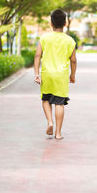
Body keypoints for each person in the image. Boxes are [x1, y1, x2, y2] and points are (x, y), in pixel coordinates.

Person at [34, 9, 77, 140]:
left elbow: (37, 55)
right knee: (59, 103)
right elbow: (73, 60)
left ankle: (49, 122)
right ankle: (58, 133)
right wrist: (73, 75)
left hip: (47, 74)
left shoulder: (44, 38)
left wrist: (36, 73)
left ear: (51, 24)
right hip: (61, 76)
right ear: (65, 23)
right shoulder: (70, 41)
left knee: (46, 99)